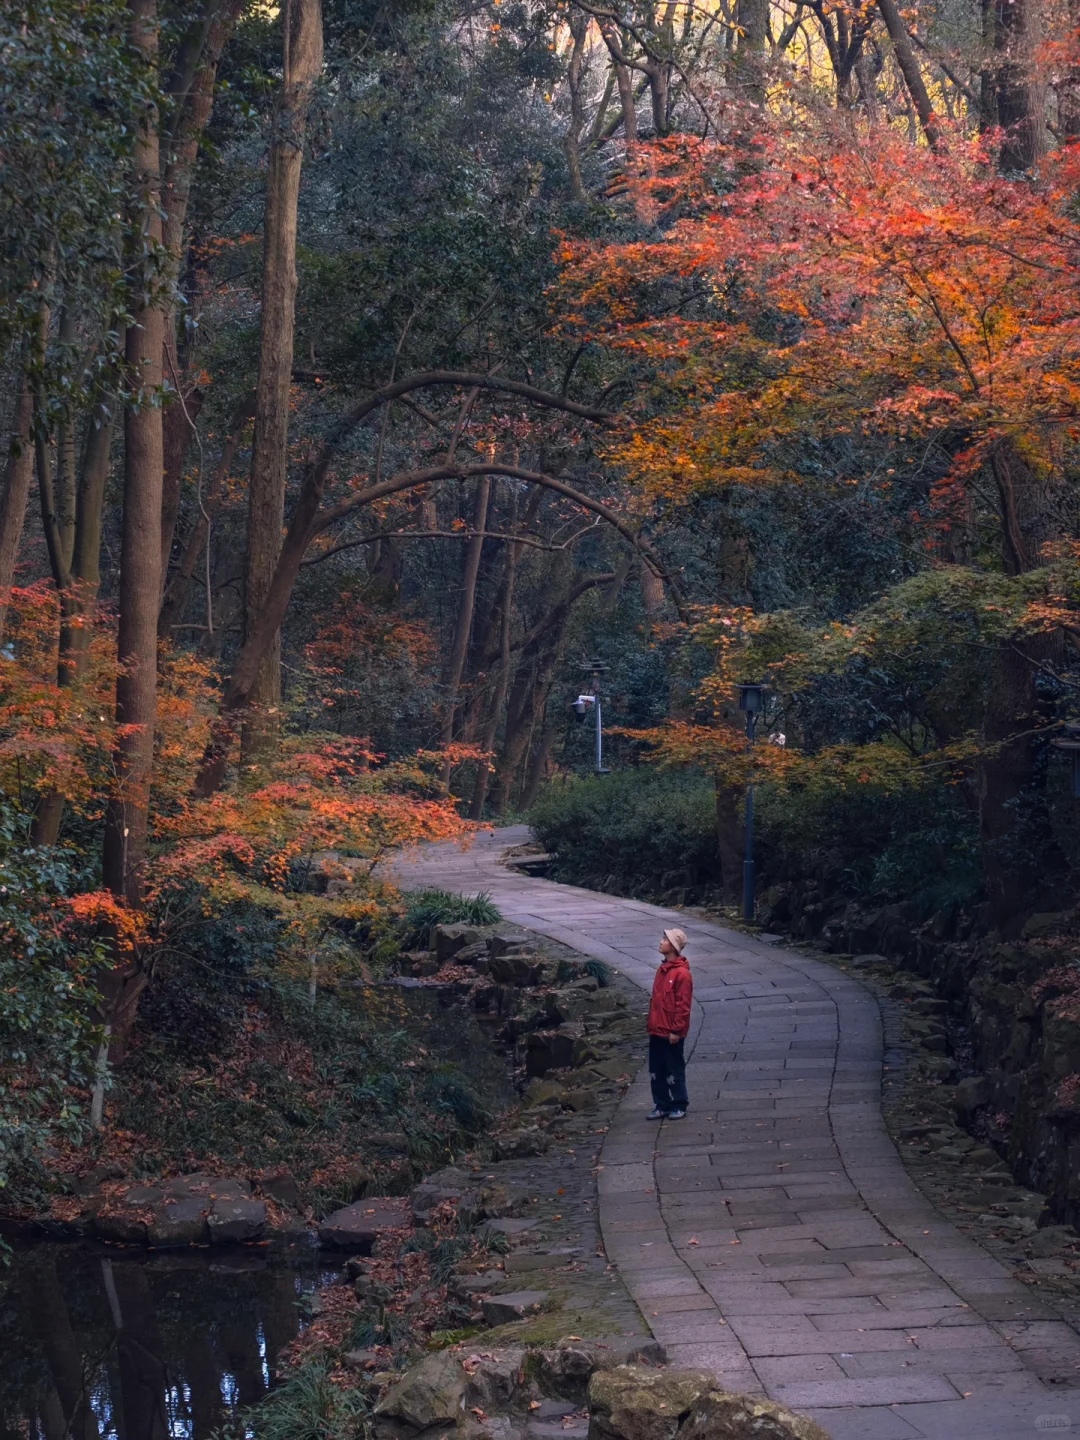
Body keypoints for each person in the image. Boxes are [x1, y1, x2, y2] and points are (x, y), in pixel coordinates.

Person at [646, 927, 692, 1120]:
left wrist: (676, 1030)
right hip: (657, 1029)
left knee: (674, 1068)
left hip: (670, 1031)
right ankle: (662, 1103)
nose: (661, 942)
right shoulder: (662, 970)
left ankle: (679, 1103)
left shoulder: (682, 974)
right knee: (656, 1070)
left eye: (665, 939)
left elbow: (683, 1006)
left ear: (673, 946)